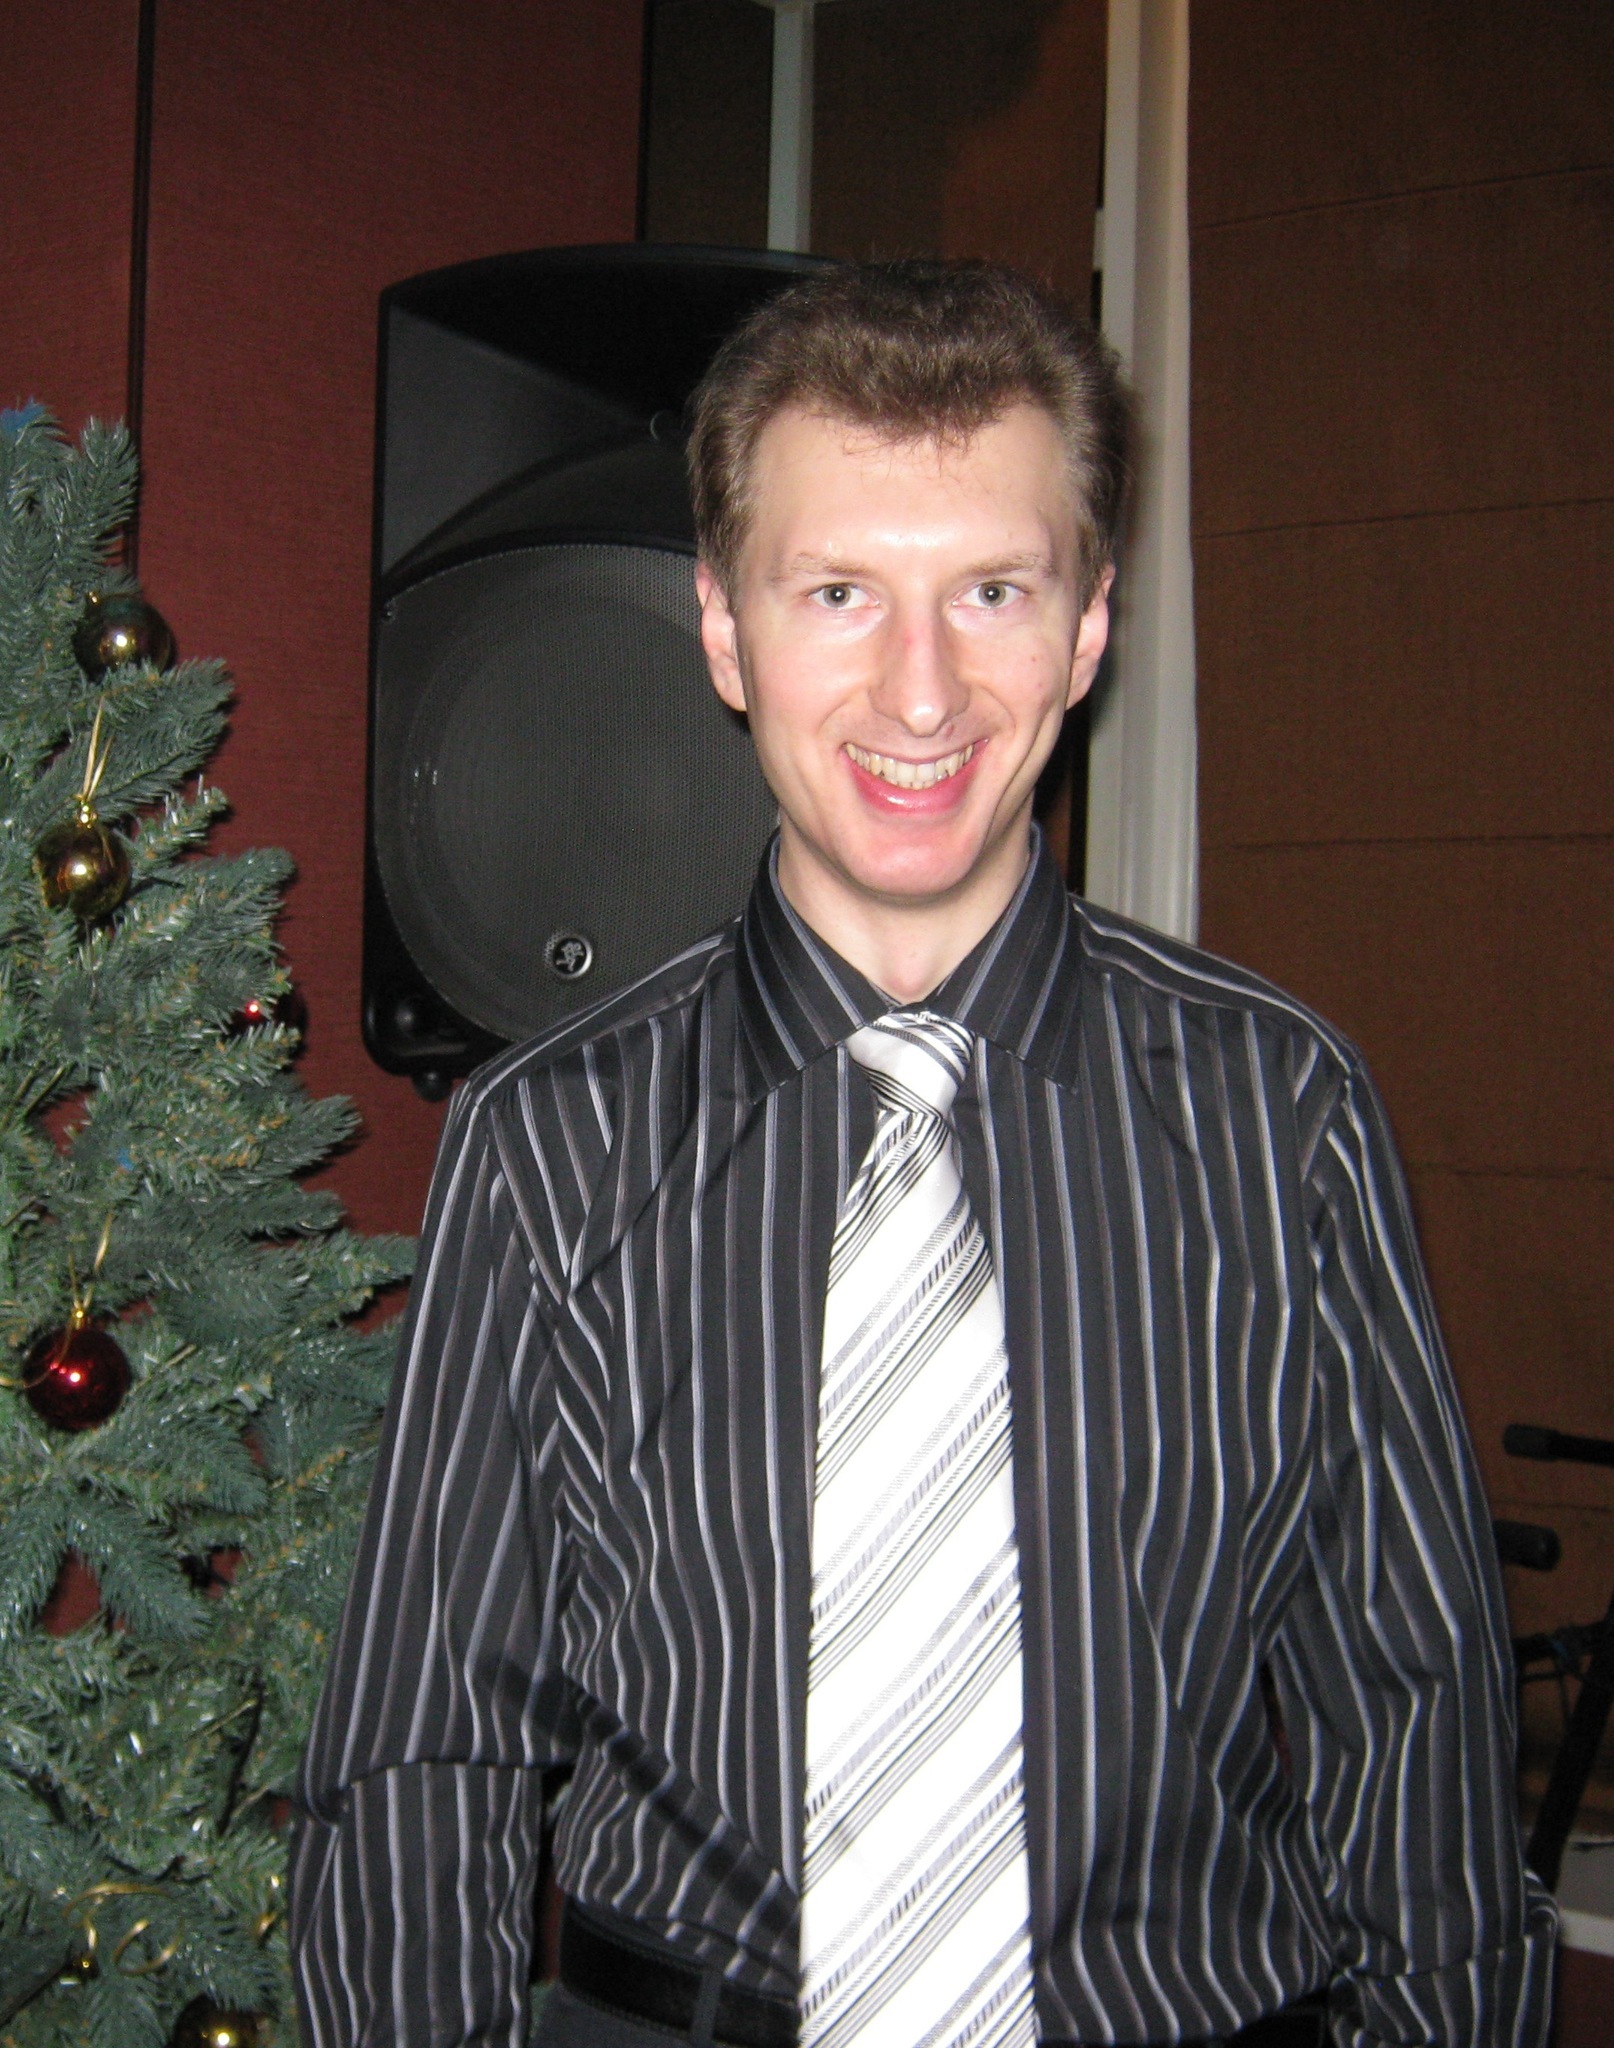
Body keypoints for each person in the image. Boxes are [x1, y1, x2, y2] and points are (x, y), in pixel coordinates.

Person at [290, 261, 1555, 2048]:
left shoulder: (1281, 1112)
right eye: (837, 593)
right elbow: (422, 1748)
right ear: (724, 633)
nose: (919, 691)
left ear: (1086, 628)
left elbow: (1413, 1713)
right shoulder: (548, 1141)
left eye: (990, 591)